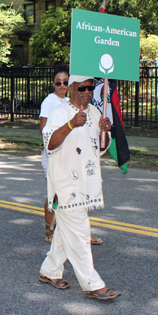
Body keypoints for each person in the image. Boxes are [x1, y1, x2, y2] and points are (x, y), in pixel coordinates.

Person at [39, 74, 121, 301]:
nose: (87, 91)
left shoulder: (95, 112)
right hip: (65, 185)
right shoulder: (60, 112)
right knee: (80, 233)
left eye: (91, 87)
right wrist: (71, 124)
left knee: (67, 232)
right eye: (82, 87)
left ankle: (50, 270)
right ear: (72, 89)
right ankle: (92, 284)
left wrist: (105, 131)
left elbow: (100, 148)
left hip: (86, 184)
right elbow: (50, 143)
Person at [40, 65, 69, 242]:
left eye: (65, 82)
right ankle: (49, 231)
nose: (62, 85)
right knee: (54, 194)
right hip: (52, 155)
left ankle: (74, 232)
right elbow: (43, 129)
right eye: (58, 82)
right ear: (53, 83)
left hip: (68, 155)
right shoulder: (49, 101)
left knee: (72, 193)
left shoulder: (70, 102)